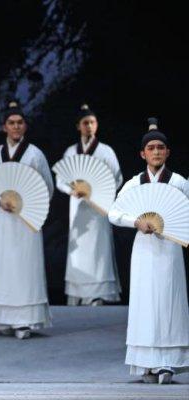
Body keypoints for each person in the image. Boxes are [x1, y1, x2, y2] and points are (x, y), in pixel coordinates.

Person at [109, 118, 189, 384]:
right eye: (151, 148)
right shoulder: (135, 184)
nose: (156, 152)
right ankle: (146, 361)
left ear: (168, 152)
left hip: (170, 249)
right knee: (144, 302)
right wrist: (135, 222)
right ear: (142, 154)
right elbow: (113, 212)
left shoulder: (178, 183)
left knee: (168, 301)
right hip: (143, 250)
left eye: (160, 147)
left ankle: (166, 362)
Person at [0, 101, 54, 339]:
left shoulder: (35, 154)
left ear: (25, 126)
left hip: (27, 219)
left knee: (26, 267)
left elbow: (47, 187)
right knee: (2, 266)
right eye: (11, 123)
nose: (16, 126)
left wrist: (30, 203)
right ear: (4, 127)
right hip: (2, 219)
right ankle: (2, 318)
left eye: (20, 123)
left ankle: (25, 321)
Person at [56, 104, 123, 306]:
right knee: (78, 250)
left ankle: (99, 294)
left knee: (99, 249)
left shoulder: (105, 151)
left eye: (93, 122)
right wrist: (71, 190)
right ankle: (78, 293)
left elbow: (117, 178)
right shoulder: (71, 152)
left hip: (98, 207)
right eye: (85, 123)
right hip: (78, 208)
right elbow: (60, 179)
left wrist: (100, 192)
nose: (90, 126)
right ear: (78, 126)